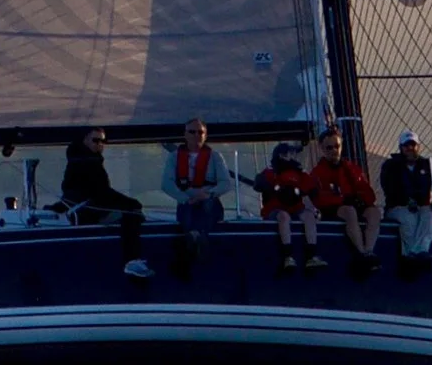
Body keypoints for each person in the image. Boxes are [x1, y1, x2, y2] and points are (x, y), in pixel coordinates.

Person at [58, 126, 151, 277]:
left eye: (103, 141)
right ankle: (131, 260)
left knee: (128, 210)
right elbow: (101, 191)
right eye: (96, 140)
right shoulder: (87, 161)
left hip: (86, 208)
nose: (100, 144)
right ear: (85, 140)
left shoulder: (79, 158)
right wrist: (131, 203)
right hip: (89, 212)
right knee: (133, 214)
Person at [302, 125, 379, 273]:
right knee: (349, 212)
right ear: (322, 149)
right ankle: (361, 251)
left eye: (336, 146)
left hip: (354, 205)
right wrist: (342, 200)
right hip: (335, 209)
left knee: (374, 213)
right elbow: (319, 199)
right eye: (329, 148)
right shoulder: (317, 173)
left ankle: (369, 250)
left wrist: (362, 200)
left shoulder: (352, 168)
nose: (333, 151)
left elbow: (367, 191)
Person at [159, 117, 231, 275]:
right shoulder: (174, 157)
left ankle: (197, 236)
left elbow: (226, 183)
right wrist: (184, 198)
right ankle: (195, 237)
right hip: (187, 201)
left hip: (209, 200)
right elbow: (167, 184)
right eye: (192, 132)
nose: (196, 135)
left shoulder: (215, 157)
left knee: (207, 205)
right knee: (188, 207)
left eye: (201, 132)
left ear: (206, 135)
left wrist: (208, 193)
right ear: (185, 134)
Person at [379, 129, 432, 275]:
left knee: (431, 215)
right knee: (409, 219)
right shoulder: (391, 166)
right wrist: (406, 199)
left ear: (418, 146)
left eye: (413, 145)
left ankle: (418, 252)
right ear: (401, 148)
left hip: (422, 206)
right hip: (398, 207)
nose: (410, 149)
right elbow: (388, 187)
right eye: (406, 146)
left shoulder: (427, 165)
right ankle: (409, 255)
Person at [244, 142, 310, 271]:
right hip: (276, 211)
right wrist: (271, 187)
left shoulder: (301, 175)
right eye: (292, 153)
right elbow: (258, 185)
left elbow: (311, 190)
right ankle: (287, 255)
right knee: (283, 216)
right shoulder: (270, 173)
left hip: (297, 210)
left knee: (309, 216)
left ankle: (312, 252)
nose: (295, 157)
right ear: (282, 156)